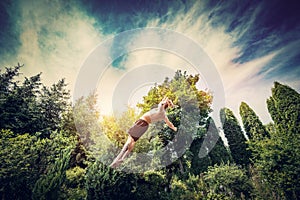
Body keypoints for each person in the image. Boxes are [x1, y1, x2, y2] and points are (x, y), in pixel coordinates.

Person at [110, 97, 177, 168]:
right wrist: (174, 128)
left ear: (164, 105)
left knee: (130, 139)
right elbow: (169, 124)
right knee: (133, 142)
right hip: (145, 126)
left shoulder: (160, 108)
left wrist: (169, 102)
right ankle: (123, 158)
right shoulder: (164, 115)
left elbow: (164, 101)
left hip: (141, 122)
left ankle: (118, 158)